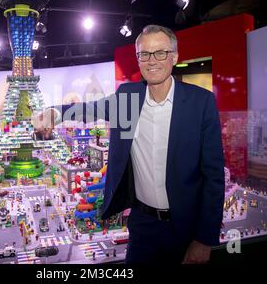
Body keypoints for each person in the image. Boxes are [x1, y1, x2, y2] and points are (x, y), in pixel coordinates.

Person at [32, 25, 225, 264]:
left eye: (160, 53)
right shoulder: (128, 98)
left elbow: (213, 176)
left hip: (186, 226)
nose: (152, 60)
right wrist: (54, 113)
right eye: (144, 54)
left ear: (174, 57)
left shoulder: (200, 102)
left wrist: (204, 239)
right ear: (138, 59)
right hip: (142, 225)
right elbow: (89, 109)